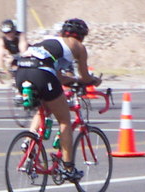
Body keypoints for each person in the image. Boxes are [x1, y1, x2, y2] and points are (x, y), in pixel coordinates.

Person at [15, 18, 102, 181]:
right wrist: (94, 81)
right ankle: (68, 167)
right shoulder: (78, 46)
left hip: (21, 72)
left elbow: (57, 77)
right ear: (82, 36)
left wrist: (72, 80)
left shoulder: (50, 41)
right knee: (64, 120)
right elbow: (84, 77)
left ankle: (29, 140)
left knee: (44, 108)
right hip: (41, 73)